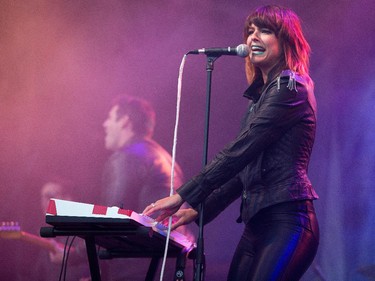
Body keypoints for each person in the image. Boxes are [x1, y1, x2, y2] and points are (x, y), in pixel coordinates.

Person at [143, 5, 319, 281]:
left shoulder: (291, 88)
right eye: (250, 31)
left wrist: (183, 194)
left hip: (287, 223)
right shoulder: (260, 99)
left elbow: (239, 151)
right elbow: (242, 171)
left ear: (285, 40)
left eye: (265, 31)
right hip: (257, 225)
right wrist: (199, 209)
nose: (253, 38)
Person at [100, 95, 195, 281]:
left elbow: (112, 219)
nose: (104, 124)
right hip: (174, 261)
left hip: (141, 267)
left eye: (110, 118)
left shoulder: (127, 157)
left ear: (125, 122)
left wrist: (74, 254)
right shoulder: (165, 157)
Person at [36, 180, 90, 281]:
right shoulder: (47, 234)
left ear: (68, 198)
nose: (43, 202)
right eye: (42, 197)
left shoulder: (83, 229)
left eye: (49, 196)